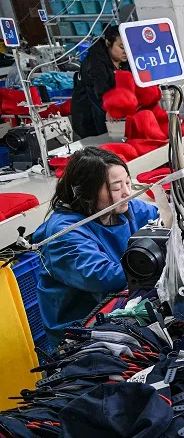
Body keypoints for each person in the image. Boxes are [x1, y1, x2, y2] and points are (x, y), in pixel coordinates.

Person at [32, 147, 160, 348]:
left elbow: (160, 219)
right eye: (116, 188)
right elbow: (105, 278)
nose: (127, 192)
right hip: (81, 334)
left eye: (127, 182)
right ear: (88, 192)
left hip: (122, 313)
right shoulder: (63, 234)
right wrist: (160, 254)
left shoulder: (124, 208)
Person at [70, 26, 129, 138]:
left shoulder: (123, 61)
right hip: (90, 118)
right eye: (121, 47)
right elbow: (101, 89)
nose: (126, 51)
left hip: (111, 117)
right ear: (108, 43)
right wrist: (111, 108)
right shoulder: (94, 62)